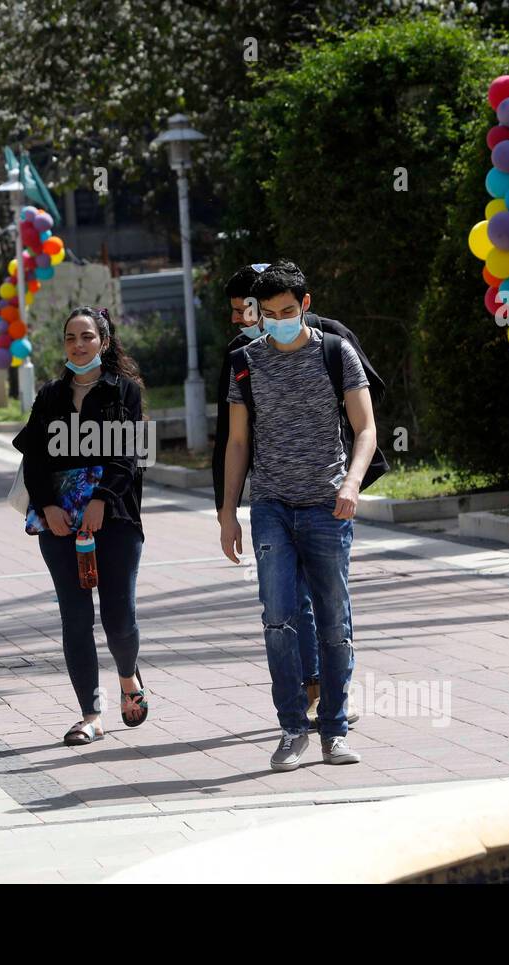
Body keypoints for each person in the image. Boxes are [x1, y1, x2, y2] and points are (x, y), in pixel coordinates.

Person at [219, 260, 377, 772]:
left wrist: (351, 482)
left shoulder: (336, 353)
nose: (278, 320)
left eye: (287, 310)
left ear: (305, 304)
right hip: (270, 507)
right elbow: (238, 440)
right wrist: (227, 513)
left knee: (334, 621)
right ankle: (292, 729)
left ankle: (334, 729)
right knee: (278, 618)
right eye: (268, 313)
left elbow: (366, 428)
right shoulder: (246, 362)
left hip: (328, 506)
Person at [12, 307, 148, 746]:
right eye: (71, 337)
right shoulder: (50, 396)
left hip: (116, 519)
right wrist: (49, 506)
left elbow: (128, 457)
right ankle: (91, 713)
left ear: (103, 342)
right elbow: (33, 458)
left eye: (87, 336)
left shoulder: (124, 392)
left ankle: (128, 675)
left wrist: (102, 500)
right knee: (75, 617)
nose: (78, 344)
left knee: (118, 618)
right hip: (59, 525)